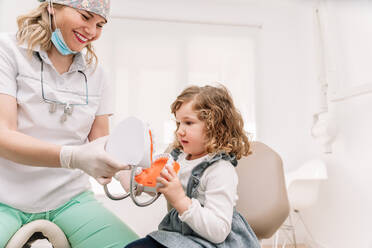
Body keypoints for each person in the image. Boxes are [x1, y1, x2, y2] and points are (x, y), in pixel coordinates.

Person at [0, 0, 138, 247]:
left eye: (100, 24)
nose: (92, 31)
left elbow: (101, 144)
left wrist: (133, 176)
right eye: (85, 17)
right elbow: (3, 136)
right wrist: (71, 157)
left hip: (70, 199)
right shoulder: (7, 50)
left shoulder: (97, 74)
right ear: (53, 5)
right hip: (4, 198)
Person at [124, 85, 261, 248]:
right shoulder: (178, 159)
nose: (180, 131)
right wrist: (126, 174)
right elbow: (153, 184)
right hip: (179, 237)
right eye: (178, 123)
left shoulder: (220, 170)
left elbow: (218, 232)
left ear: (215, 127)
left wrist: (180, 200)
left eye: (188, 123)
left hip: (213, 243)